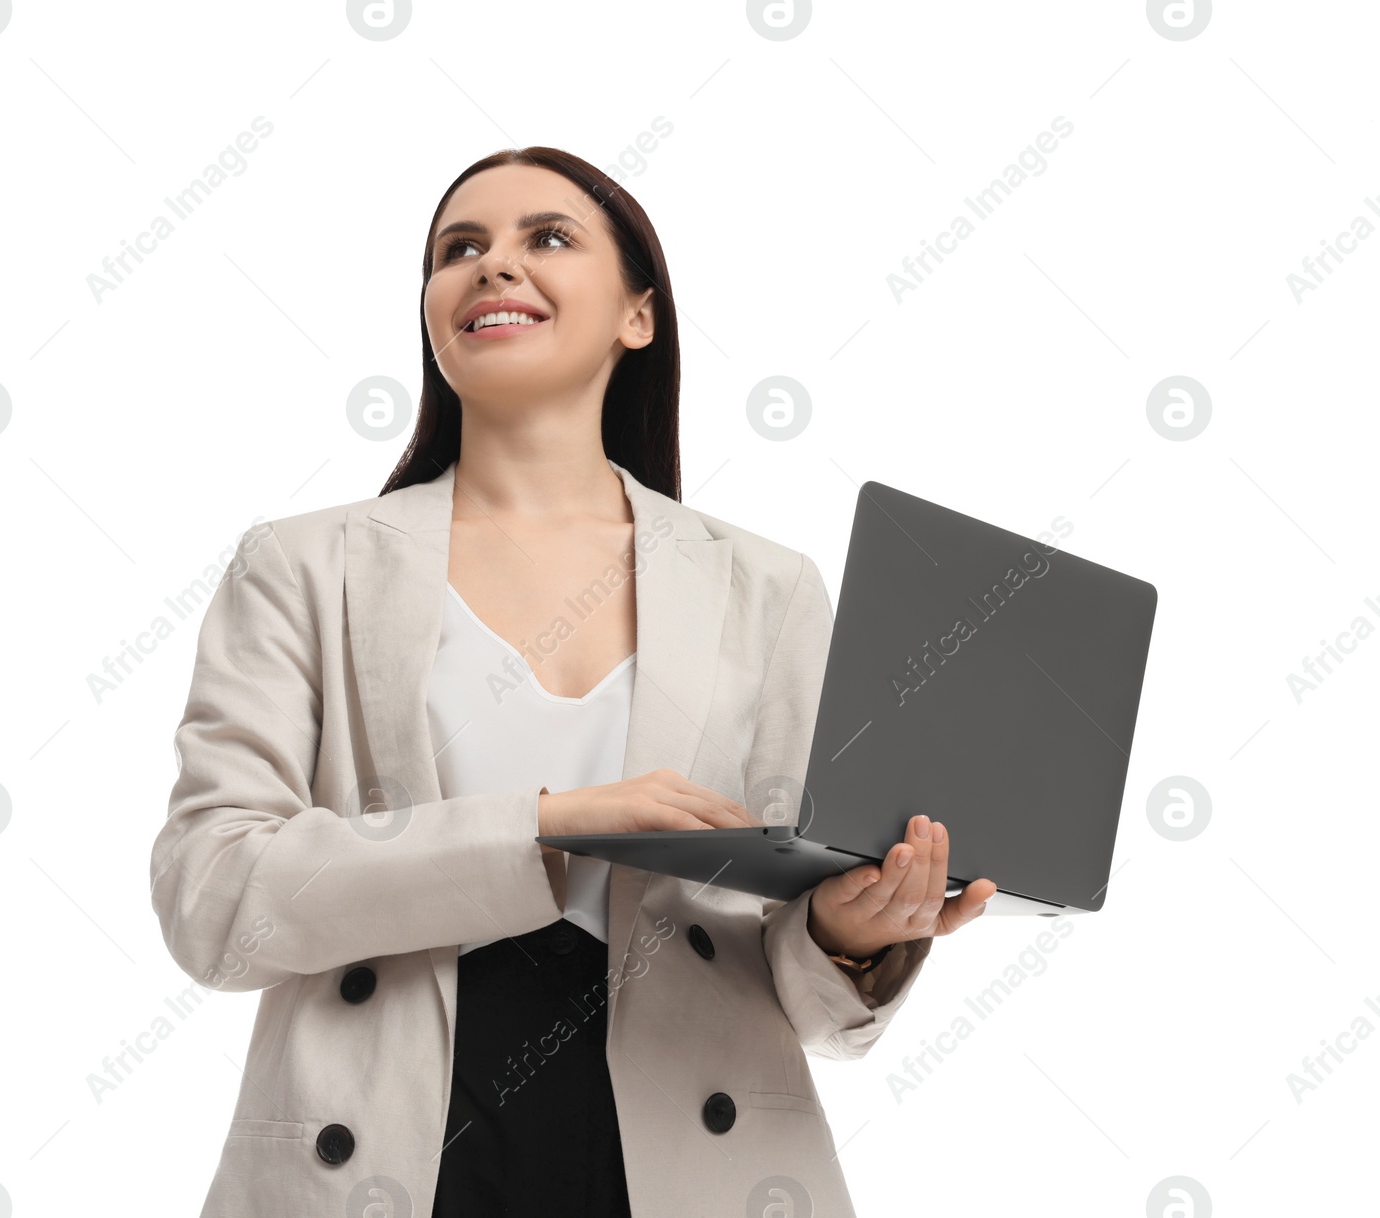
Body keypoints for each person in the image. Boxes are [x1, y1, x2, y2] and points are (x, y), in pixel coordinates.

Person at [149, 146, 997, 1218]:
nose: (493, 267)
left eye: (545, 238)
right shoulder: (302, 566)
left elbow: (805, 988)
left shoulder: (766, 587)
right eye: (460, 248)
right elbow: (214, 902)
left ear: (637, 315)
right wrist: (547, 827)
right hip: (380, 1156)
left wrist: (855, 934)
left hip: (688, 1159)